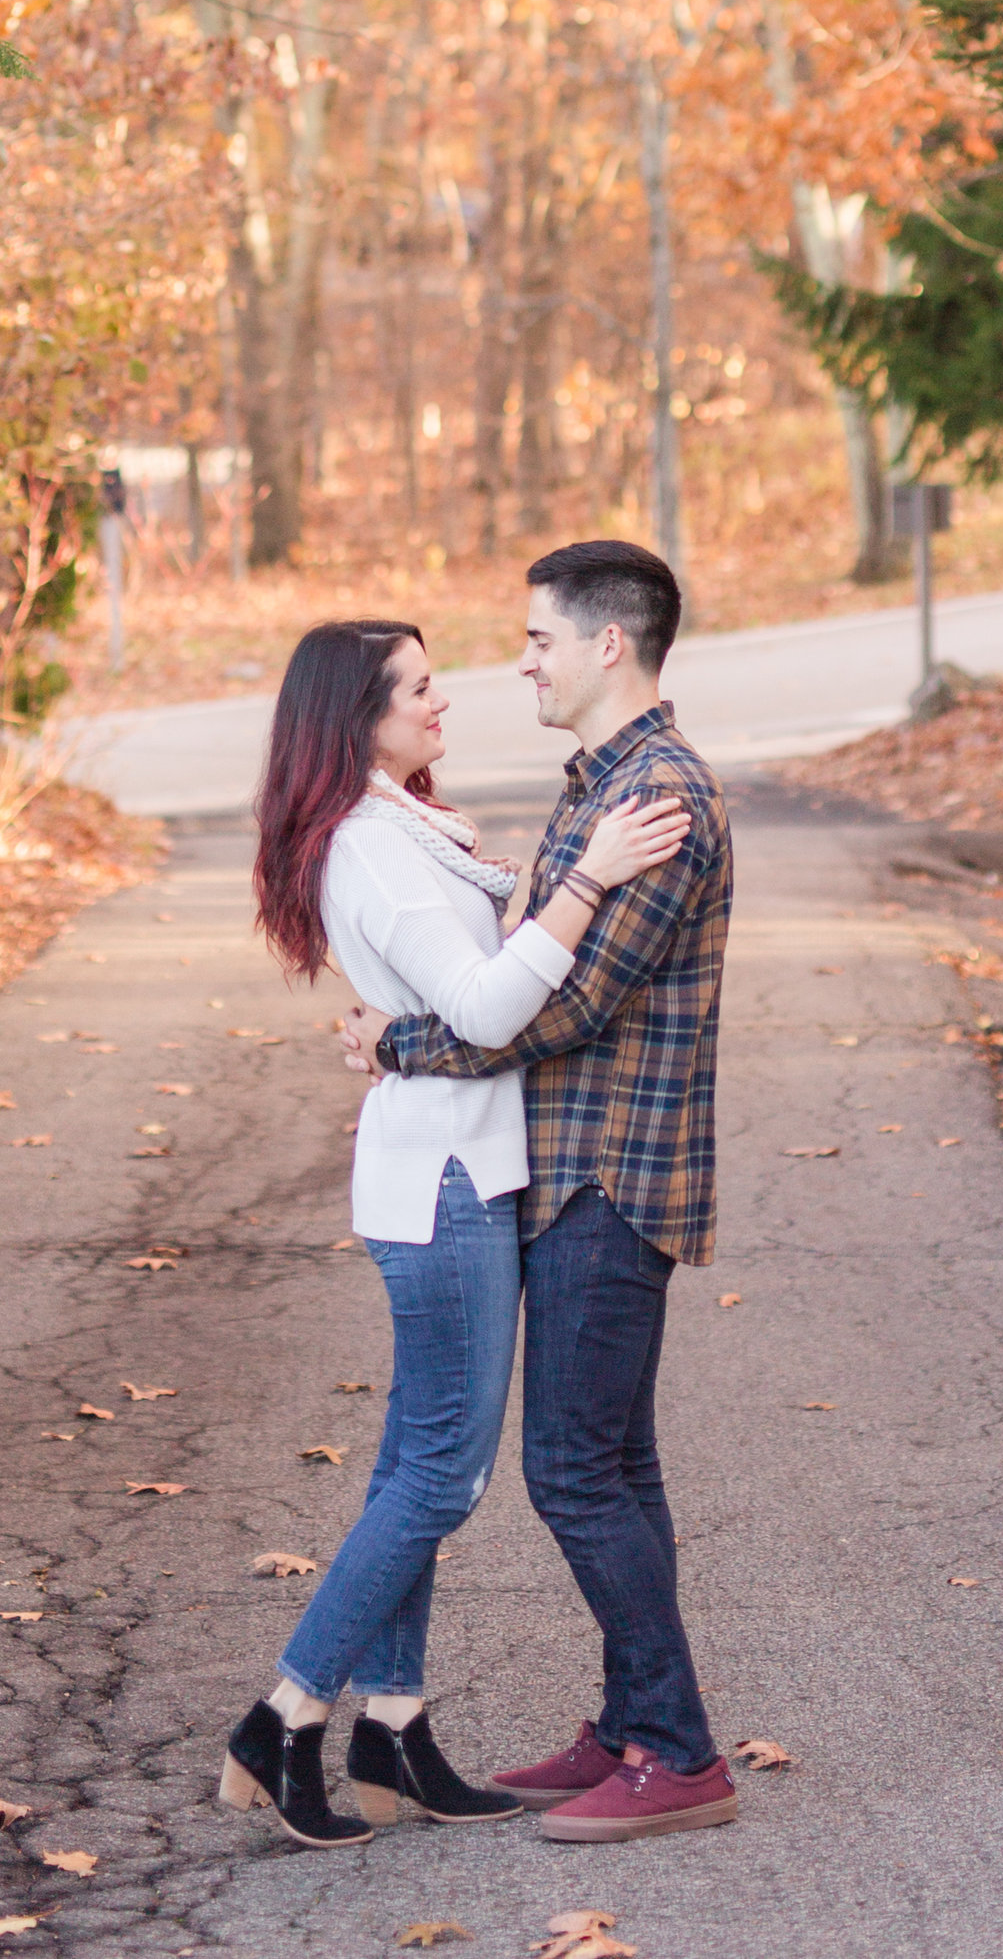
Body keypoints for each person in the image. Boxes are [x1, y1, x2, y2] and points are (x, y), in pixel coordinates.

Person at [219, 616, 691, 1852]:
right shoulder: (373, 850)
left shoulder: (407, 829)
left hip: (460, 1170)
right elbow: (484, 1007)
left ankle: (393, 1730)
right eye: (419, 690)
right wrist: (588, 879)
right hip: (441, 1181)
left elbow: (450, 995)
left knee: (410, 1472)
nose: (446, 703)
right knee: (445, 1474)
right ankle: (282, 1716)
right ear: (354, 715)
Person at [340, 537, 737, 1844]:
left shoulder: (659, 799)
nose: (520, 660)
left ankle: (677, 1751)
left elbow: (548, 1006)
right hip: (569, 1167)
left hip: (607, 1173)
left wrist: (398, 1040)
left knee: (572, 1469)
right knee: (616, 1461)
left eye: (536, 638)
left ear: (606, 643)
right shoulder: (602, 786)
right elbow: (519, 958)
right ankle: (635, 1722)